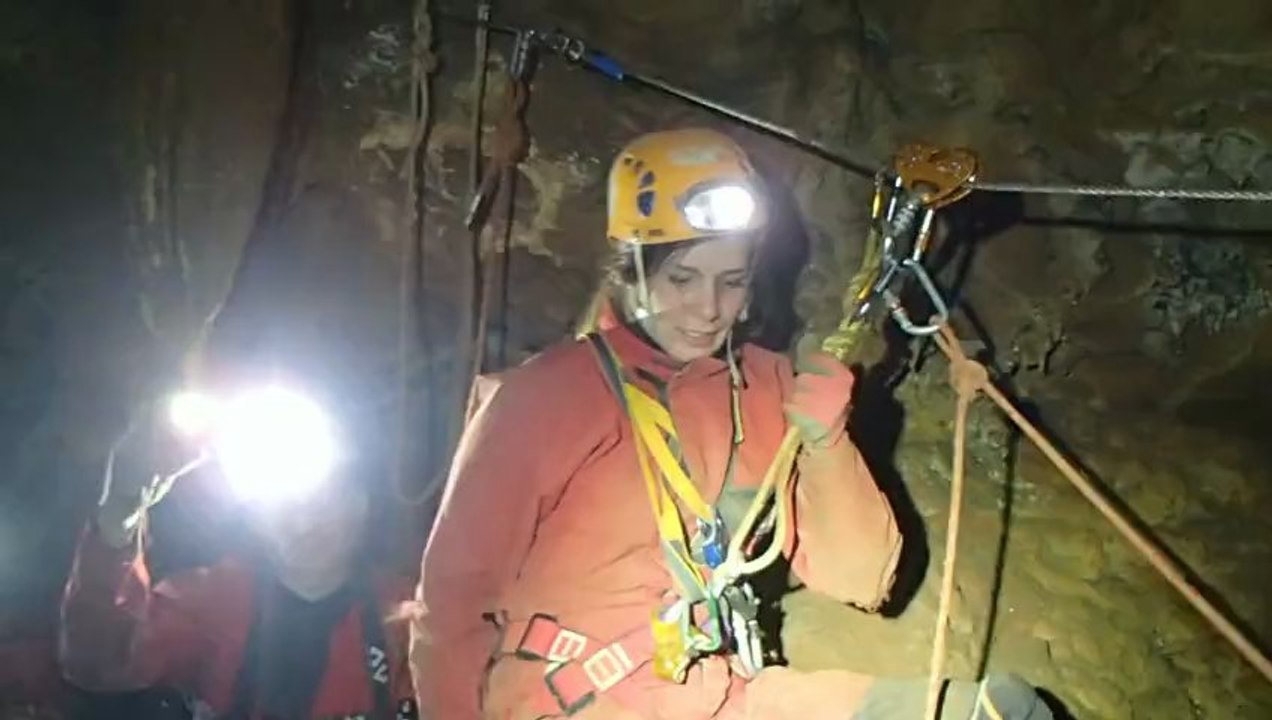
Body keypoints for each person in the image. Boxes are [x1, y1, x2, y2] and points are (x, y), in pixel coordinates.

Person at [409, 127, 1054, 719]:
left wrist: (828, 442)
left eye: (732, 281)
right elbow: (452, 606)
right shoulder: (545, 398)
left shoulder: (764, 387)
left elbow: (865, 582)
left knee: (1007, 711)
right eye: (682, 278)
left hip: (727, 697)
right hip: (572, 702)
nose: (708, 309)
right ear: (630, 267)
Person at [59, 361, 418, 720]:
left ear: (364, 501)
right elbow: (100, 663)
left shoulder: (410, 617)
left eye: (326, 497)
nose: (304, 520)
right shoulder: (210, 601)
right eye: (284, 499)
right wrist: (119, 516)